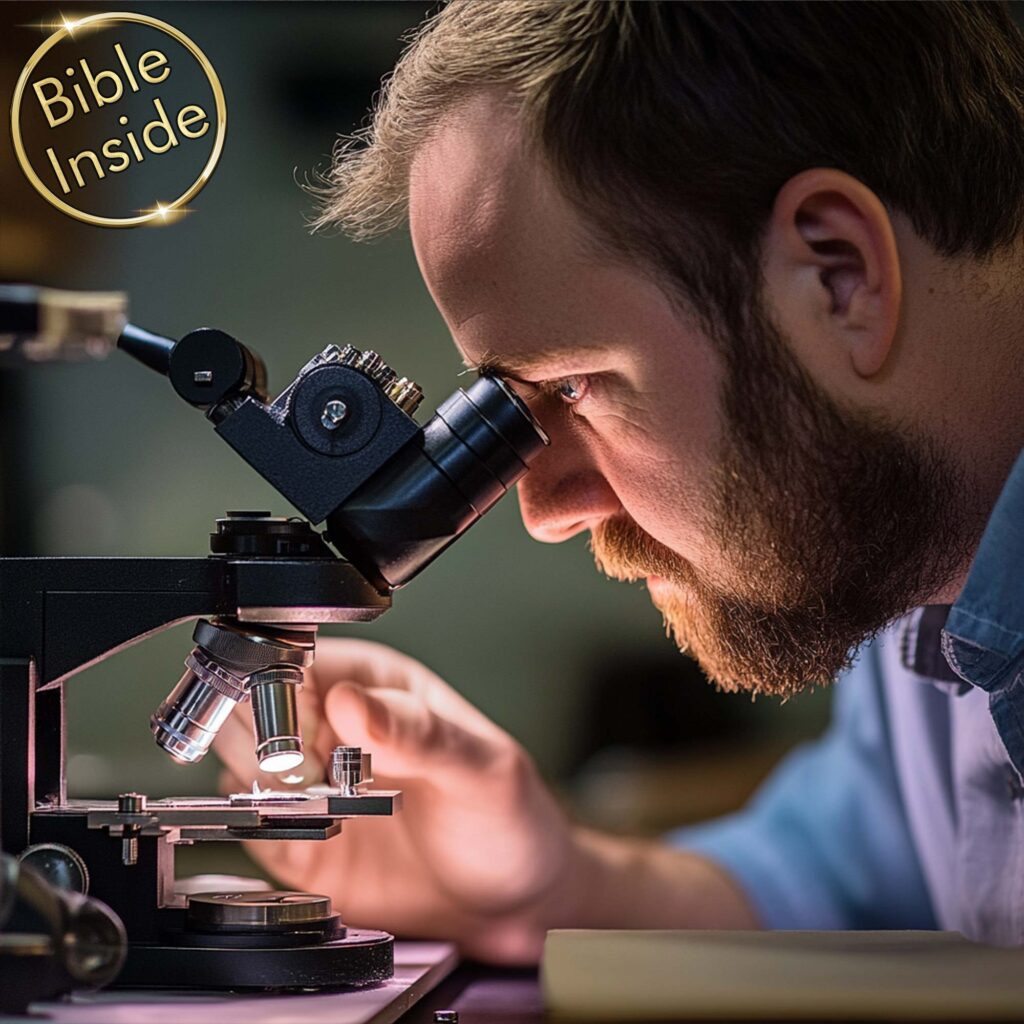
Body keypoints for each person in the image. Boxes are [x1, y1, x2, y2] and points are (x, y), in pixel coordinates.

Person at [215, 1, 1024, 959]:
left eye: (569, 385)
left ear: (839, 274)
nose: (549, 512)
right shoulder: (912, 567)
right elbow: (840, 881)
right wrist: (544, 883)